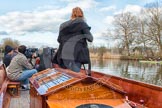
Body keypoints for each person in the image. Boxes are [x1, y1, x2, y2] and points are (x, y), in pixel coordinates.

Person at [54, 7, 93, 72]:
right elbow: (90, 38)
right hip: (76, 56)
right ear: (82, 14)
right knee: (75, 75)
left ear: (72, 14)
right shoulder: (82, 23)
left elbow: (59, 40)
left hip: (63, 55)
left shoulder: (62, 25)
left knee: (65, 76)